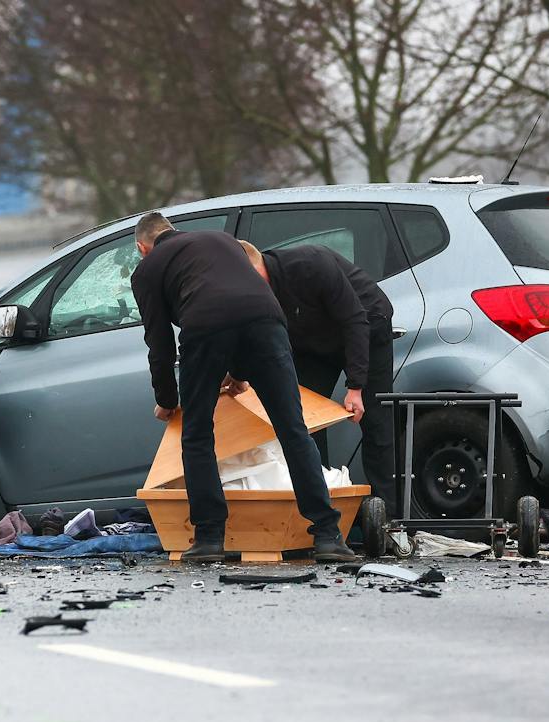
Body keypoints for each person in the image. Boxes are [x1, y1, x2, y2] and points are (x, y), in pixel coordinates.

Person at [130, 212, 352, 564]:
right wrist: (238, 370)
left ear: (144, 247)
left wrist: (167, 400)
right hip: (268, 321)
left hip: (204, 326)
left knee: (198, 433)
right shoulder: (220, 241)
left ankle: (209, 539)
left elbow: (158, 343)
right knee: (293, 430)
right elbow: (239, 297)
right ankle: (328, 536)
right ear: (173, 231)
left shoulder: (148, 268)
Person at [240, 240, 397, 511]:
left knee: (375, 420)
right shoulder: (251, 292)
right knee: (304, 419)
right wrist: (236, 374)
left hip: (366, 326)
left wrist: (356, 387)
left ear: (256, 268)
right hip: (313, 340)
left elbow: (355, 320)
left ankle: (388, 514)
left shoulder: (311, 263)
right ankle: (320, 508)